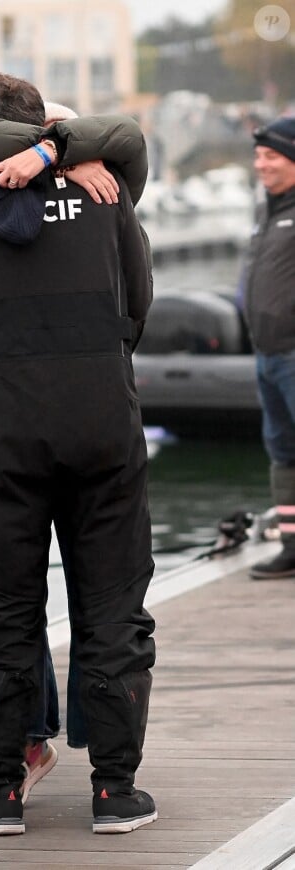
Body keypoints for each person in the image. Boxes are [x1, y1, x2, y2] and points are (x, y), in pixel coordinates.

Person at [0, 73, 156, 836]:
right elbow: (140, 297)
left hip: (8, 428)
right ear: (41, 123)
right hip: (102, 423)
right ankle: (115, 792)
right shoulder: (106, 183)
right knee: (114, 606)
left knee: (5, 613)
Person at [242, 117, 295, 580]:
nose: (261, 164)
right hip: (269, 354)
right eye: (258, 156)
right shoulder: (268, 211)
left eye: (271, 155)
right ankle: (292, 545)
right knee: (282, 451)